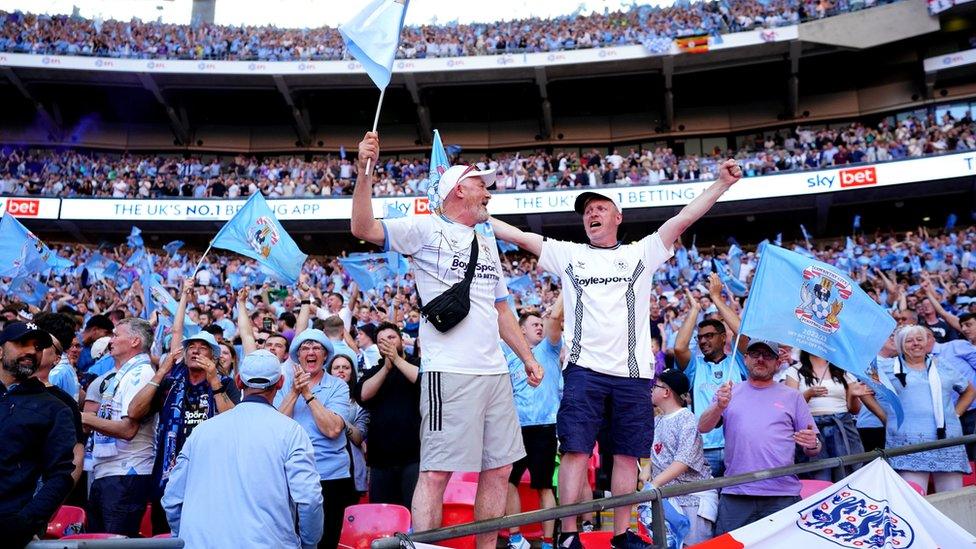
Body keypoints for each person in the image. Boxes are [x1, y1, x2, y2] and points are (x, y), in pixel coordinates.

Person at [490, 158, 742, 548]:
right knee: (574, 452)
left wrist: (721, 185)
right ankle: (569, 534)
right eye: (587, 211)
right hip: (583, 371)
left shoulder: (642, 252)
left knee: (627, 455)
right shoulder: (568, 253)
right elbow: (520, 236)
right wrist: (478, 214)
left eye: (600, 208)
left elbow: (684, 218)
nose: (592, 213)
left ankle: (622, 534)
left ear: (618, 216)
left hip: (633, 373)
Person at [351, 132, 543, 549]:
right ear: (459, 190)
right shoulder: (424, 229)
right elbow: (363, 227)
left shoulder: (487, 241)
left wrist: (526, 356)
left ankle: (487, 547)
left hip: (494, 373)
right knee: (436, 472)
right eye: (482, 184)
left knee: (499, 469)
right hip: (448, 371)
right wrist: (365, 173)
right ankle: (426, 548)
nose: (488, 192)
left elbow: (501, 310)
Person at [162, 350, 324, 549]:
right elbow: (309, 499)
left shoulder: (202, 431)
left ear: (238, 381)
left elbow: (172, 498)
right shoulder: (291, 431)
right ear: (280, 383)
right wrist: (309, 544)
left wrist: (185, 536)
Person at [698, 340, 821, 536]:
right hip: (736, 493)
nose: (761, 359)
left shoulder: (793, 396)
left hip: (782, 494)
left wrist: (812, 443)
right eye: (755, 354)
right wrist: (719, 406)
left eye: (767, 355)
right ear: (745, 359)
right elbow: (703, 427)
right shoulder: (728, 392)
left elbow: (813, 447)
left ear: (778, 362)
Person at [127, 320, 235, 534]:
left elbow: (233, 420)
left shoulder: (225, 383)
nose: (195, 351)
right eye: (191, 347)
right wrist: (161, 372)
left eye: (202, 347)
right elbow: (133, 412)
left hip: (210, 475)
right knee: (165, 536)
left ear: (213, 356)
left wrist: (213, 380)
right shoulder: (169, 383)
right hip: (169, 475)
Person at [276, 328, 354, 549]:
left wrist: (308, 394)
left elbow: (332, 429)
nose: (311, 352)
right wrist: (293, 392)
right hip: (289, 475)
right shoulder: (284, 386)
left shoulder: (338, 386)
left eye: (316, 347)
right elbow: (274, 429)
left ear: (325, 355)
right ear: (297, 357)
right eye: (305, 348)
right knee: (289, 541)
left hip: (330, 476)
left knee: (325, 542)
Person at [0, 322, 76, 547]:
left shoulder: (56, 407)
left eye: (38, 346)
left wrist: (24, 523)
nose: (32, 351)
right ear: (0, 349)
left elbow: (61, 475)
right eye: (22, 343)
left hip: (9, 528)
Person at [81, 317, 158, 537]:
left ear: (134, 341)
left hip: (127, 472)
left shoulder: (141, 374)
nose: (110, 340)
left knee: (113, 543)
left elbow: (127, 429)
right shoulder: (121, 375)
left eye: (116, 335)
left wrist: (84, 418)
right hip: (108, 471)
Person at [879, 325, 976, 493]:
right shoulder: (888, 367)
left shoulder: (942, 364)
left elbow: (969, 390)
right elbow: (864, 390)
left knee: (951, 498)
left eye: (919, 339)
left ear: (927, 342)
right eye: (909, 341)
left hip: (947, 441)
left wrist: (956, 413)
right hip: (908, 442)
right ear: (901, 344)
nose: (915, 344)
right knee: (914, 500)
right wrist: (884, 417)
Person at [674, 276, 748, 478]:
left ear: (723, 337)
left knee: (736, 501)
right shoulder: (695, 365)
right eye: (700, 337)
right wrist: (695, 310)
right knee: (706, 506)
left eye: (709, 336)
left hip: (737, 445)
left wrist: (716, 298)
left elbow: (742, 333)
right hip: (703, 447)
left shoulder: (738, 361)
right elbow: (679, 347)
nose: (703, 341)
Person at [505, 300, 564, 549]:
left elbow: (554, 323)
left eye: (541, 323)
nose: (540, 327)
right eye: (534, 324)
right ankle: (516, 537)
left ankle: (548, 541)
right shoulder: (509, 354)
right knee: (508, 482)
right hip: (516, 427)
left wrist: (553, 314)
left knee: (544, 486)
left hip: (544, 426)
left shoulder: (548, 349)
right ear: (522, 331)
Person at [640, 369, 716, 546]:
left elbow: (683, 460)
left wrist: (654, 484)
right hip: (666, 499)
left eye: (656, 385)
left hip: (692, 502)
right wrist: (647, 467)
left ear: (666, 392)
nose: (651, 389)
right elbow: (660, 452)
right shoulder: (659, 420)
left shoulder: (687, 420)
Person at [785, 351, 886, 481]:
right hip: (812, 428)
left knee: (849, 473)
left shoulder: (843, 371)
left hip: (843, 426)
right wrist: (808, 394)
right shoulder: (794, 371)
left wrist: (854, 395)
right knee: (818, 476)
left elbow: (854, 410)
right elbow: (790, 406)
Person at [353, 322, 421, 508]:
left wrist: (397, 360)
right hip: (381, 460)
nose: (388, 343)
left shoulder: (417, 364)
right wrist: (387, 367)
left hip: (414, 456)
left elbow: (423, 382)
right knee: (384, 516)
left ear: (401, 339)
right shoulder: (374, 370)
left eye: (391, 338)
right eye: (382, 341)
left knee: (413, 513)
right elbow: (362, 395)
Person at [327, 353, 369, 495]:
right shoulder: (318, 399)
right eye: (336, 367)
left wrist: (338, 419)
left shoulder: (359, 404)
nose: (341, 370)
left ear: (352, 373)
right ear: (329, 372)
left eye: (345, 367)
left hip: (351, 469)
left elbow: (359, 438)